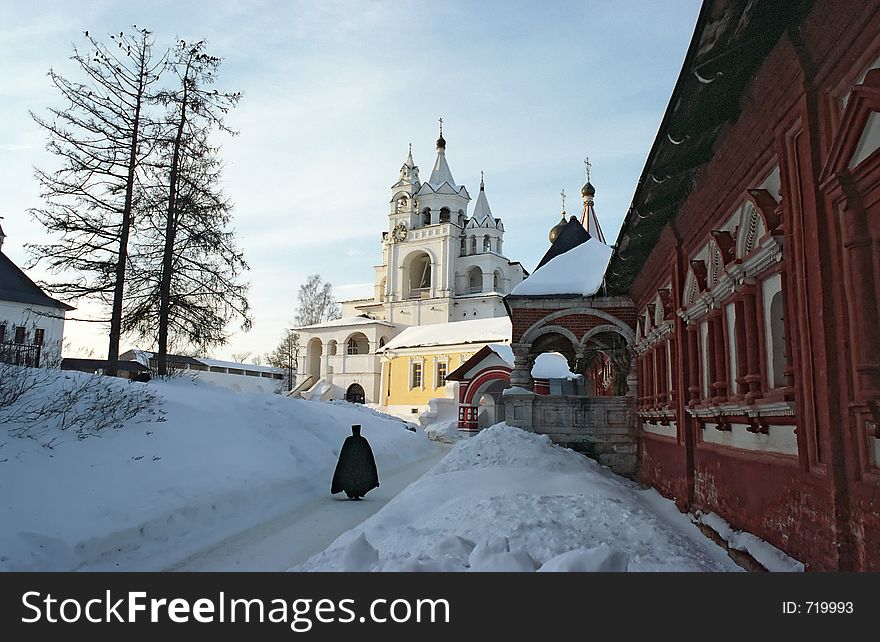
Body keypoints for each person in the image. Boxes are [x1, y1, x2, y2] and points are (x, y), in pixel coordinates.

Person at [331, 424, 379, 500]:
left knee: (353, 478)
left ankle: (354, 493)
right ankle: (355, 494)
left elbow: (344, 455)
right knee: (357, 478)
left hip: (352, 465)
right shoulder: (362, 440)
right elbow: (368, 454)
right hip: (358, 465)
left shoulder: (349, 440)